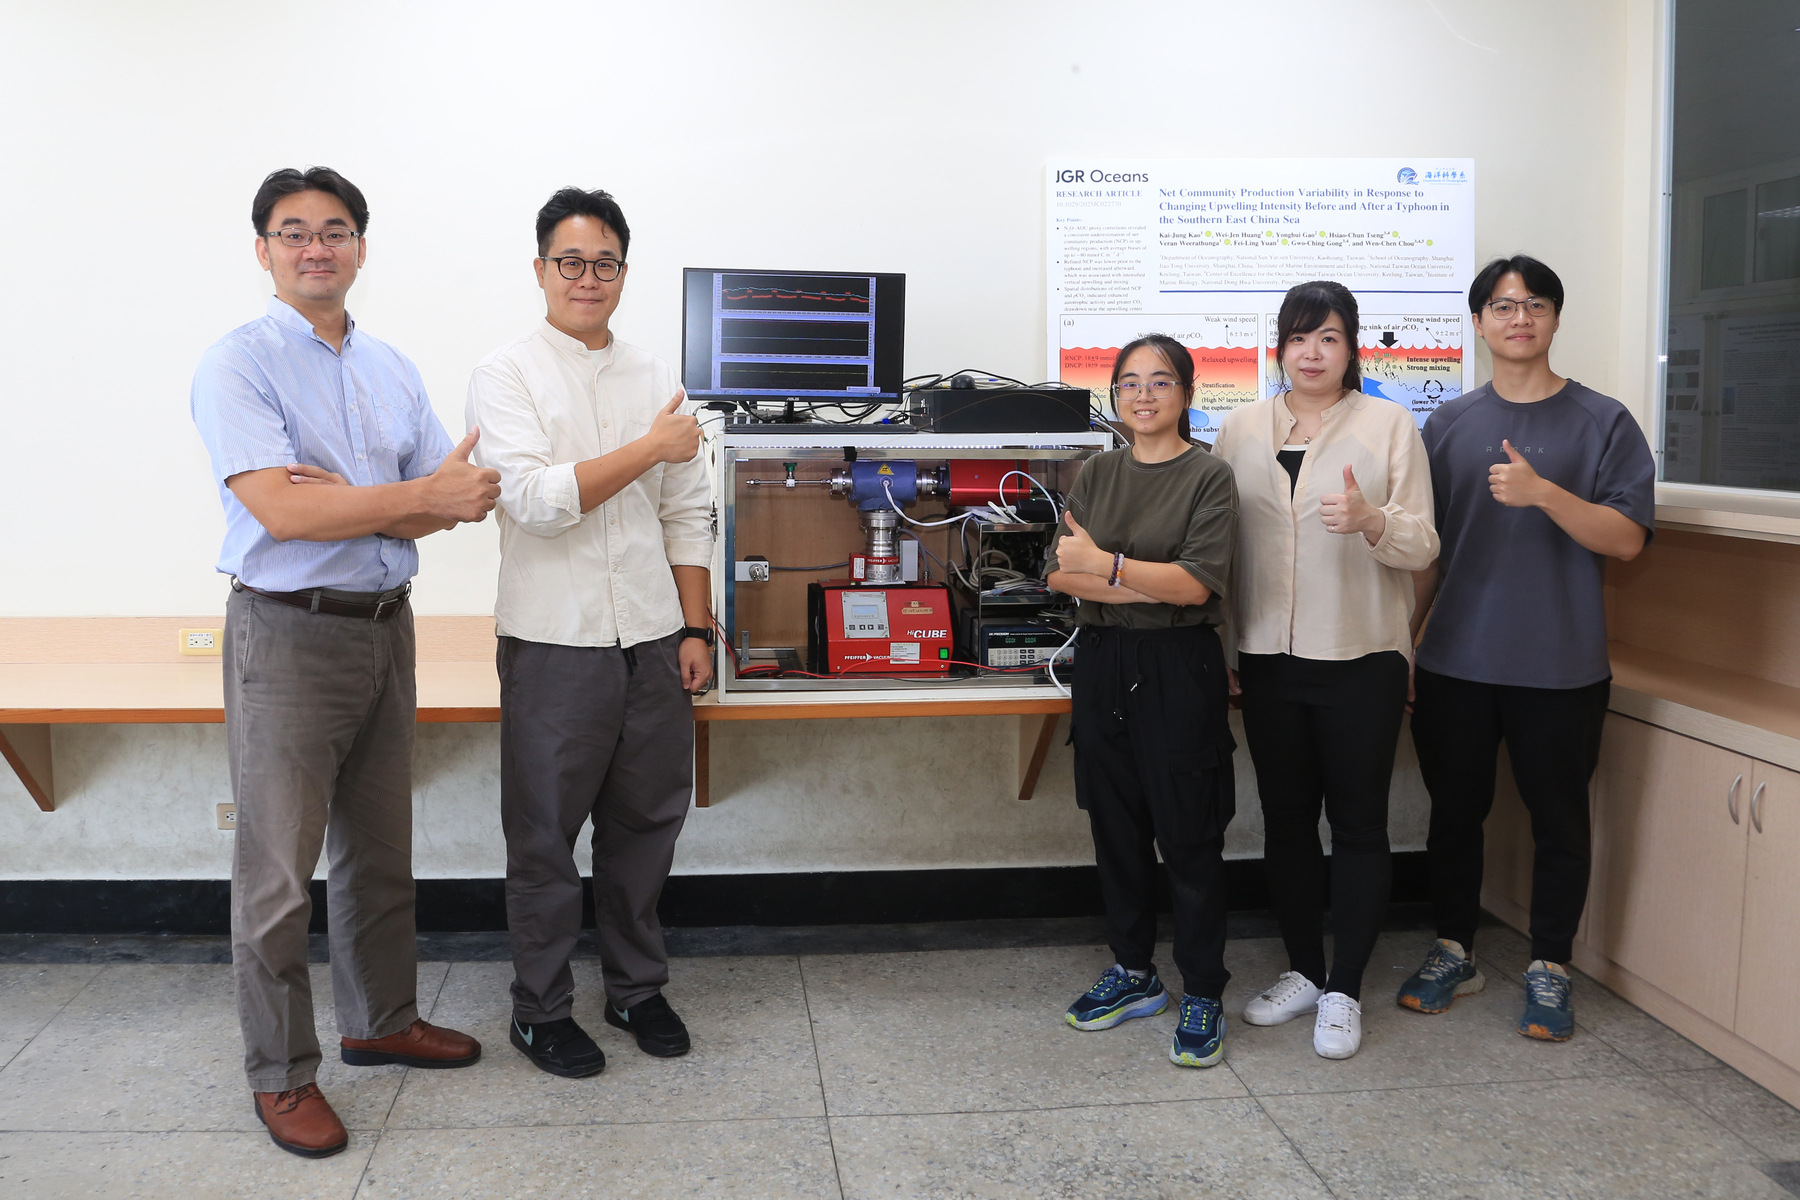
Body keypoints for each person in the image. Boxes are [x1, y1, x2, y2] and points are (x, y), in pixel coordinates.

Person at [190, 167, 498, 1159]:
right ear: (263, 251)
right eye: (293, 233)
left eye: (334, 231)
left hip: (385, 622)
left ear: (360, 246)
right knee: (277, 874)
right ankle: (280, 1075)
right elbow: (283, 513)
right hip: (286, 633)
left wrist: (372, 497)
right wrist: (390, 497)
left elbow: (446, 500)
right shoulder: (238, 365)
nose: (314, 248)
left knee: (377, 851)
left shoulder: (390, 367)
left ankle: (380, 1020)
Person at [465, 187, 714, 1080]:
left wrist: (696, 627)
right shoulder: (506, 373)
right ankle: (539, 1010)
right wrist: (650, 449)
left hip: (652, 636)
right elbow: (533, 503)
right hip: (552, 642)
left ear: (622, 273)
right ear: (540, 270)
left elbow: (689, 511)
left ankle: (636, 989)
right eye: (569, 261)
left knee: (647, 826)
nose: (587, 277)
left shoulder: (656, 376)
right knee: (543, 839)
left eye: (605, 262)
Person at [1400, 255, 1654, 1041]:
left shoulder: (1602, 421)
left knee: (1560, 822)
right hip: (1455, 663)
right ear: (1478, 323)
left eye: (1535, 304)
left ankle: (1550, 965)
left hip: (1561, 665)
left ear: (1553, 319)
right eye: (1504, 305)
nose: (1520, 317)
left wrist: (1545, 493)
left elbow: (1627, 541)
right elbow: (1428, 550)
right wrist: (1408, 647)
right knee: (1454, 815)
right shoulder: (1447, 426)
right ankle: (1454, 949)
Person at [1212, 282, 1439, 1059]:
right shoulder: (1240, 429)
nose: (1313, 353)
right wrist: (1226, 651)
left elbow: (1422, 545)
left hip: (1362, 658)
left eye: (1330, 338)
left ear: (1353, 348)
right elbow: (1222, 551)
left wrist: (1374, 520)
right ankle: (1303, 969)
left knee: (1359, 824)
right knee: (1284, 824)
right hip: (1269, 659)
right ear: (1278, 346)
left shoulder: (1389, 424)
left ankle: (1345, 985)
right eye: (1299, 338)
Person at [1045, 334, 1240, 1068]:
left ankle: (1203, 991)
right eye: (1130, 383)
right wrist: (1127, 577)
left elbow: (1195, 586)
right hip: (1103, 663)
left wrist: (1111, 565)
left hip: (1177, 666)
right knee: (1116, 830)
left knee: (1189, 839)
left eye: (1161, 382)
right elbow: (1062, 576)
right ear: (1116, 397)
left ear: (1186, 394)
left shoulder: (1209, 477)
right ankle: (1133, 973)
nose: (1144, 395)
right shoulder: (1096, 472)